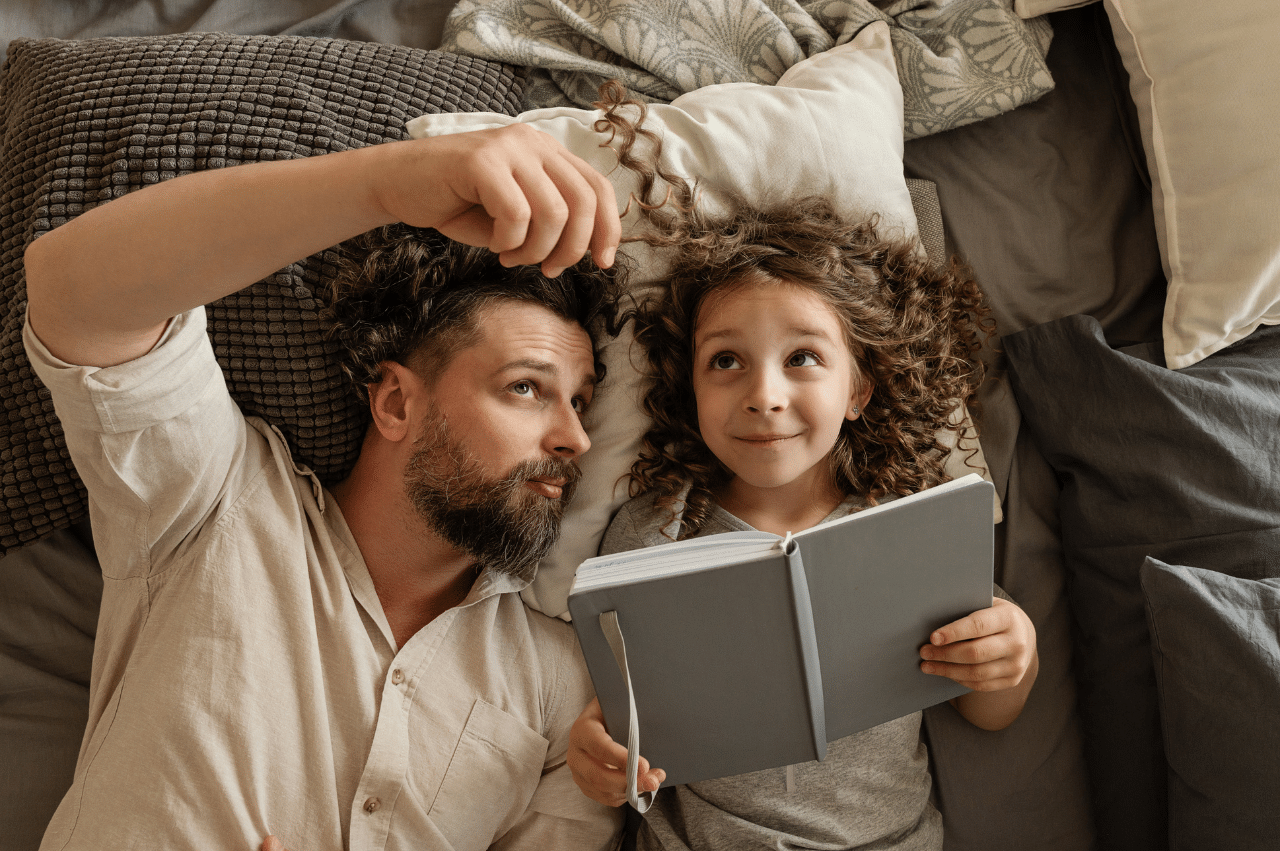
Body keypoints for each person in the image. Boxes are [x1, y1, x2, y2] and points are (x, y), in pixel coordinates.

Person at [23, 124, 629, 849]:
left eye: (582, 401)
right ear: (398, 403)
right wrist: (389, 183)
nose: (574, 438)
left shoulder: (564, 694)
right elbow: (73, 287)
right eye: (526, 387)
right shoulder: (216, 499)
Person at [564, 91, 1040, 850]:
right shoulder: (650, 530)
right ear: (690, 385)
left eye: (803, 359)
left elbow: (989, 708)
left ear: (859, 387)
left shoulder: (910, 524)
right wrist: (598, 750)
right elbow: (618, 713)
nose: (764, 395)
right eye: (726, 361)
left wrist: (1011, 651)